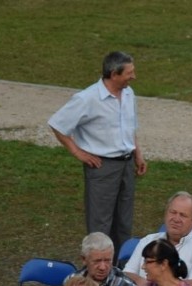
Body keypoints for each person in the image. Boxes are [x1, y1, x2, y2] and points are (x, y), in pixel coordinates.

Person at [48, 51, 146, 253]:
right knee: (100, 225)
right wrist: (78, 152)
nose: (133, 77)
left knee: (123, 222)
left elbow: (130, 126)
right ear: (114, 74)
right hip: (102, 168)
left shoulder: (129, 93)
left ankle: (119, 268)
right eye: (129, 73)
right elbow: (58, 124)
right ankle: (97, 273)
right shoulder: (87, 98)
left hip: (127, 165)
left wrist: (138, 153)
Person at [124, 192, 192, 286]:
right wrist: (139, 281)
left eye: (183, 215)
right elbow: (126, 274)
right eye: (173, 212)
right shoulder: (148, 241)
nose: (176, 219)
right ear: (166, 214)